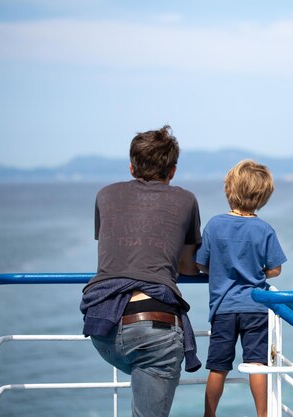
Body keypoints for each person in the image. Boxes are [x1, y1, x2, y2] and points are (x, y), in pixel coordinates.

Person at [79, 125, 203, 417]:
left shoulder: (105, 194)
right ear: (172, 171)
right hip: (154, 329)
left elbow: (115, 249)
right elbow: (186, 266)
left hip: (103, 325)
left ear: (132, 167)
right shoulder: (186, 200)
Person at [196, 159, 287, 417]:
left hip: (224, 308)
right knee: (257, 364)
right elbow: (276, 269)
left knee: (218, 367)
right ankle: (263, 414)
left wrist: (220, 269)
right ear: (264, 196)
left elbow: (201, 264)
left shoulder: (214, 225)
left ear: (229, 190)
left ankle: (209, 414)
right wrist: (258, 270)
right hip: (255, 307)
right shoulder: (264, 229)